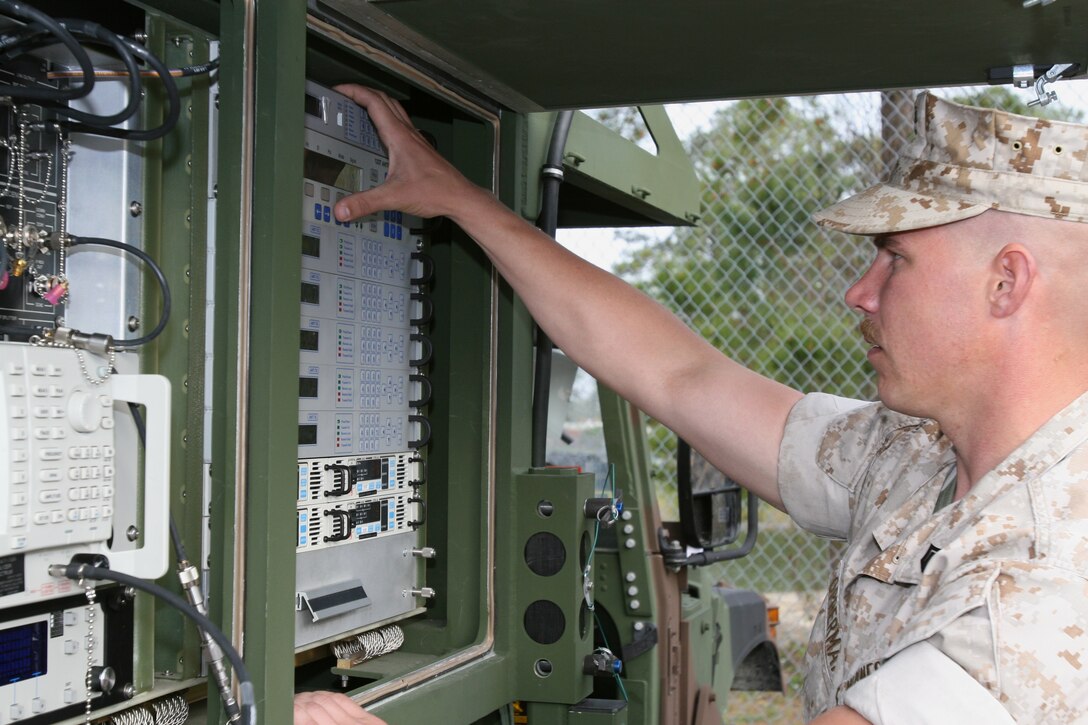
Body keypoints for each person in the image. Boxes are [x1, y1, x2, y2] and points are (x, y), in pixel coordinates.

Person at [299, 86, 1088, 724]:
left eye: (896, 259)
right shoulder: (924, 452)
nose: (861, 292)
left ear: (1007, 283)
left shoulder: (1047, 581)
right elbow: (683, 377)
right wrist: (466, 202)